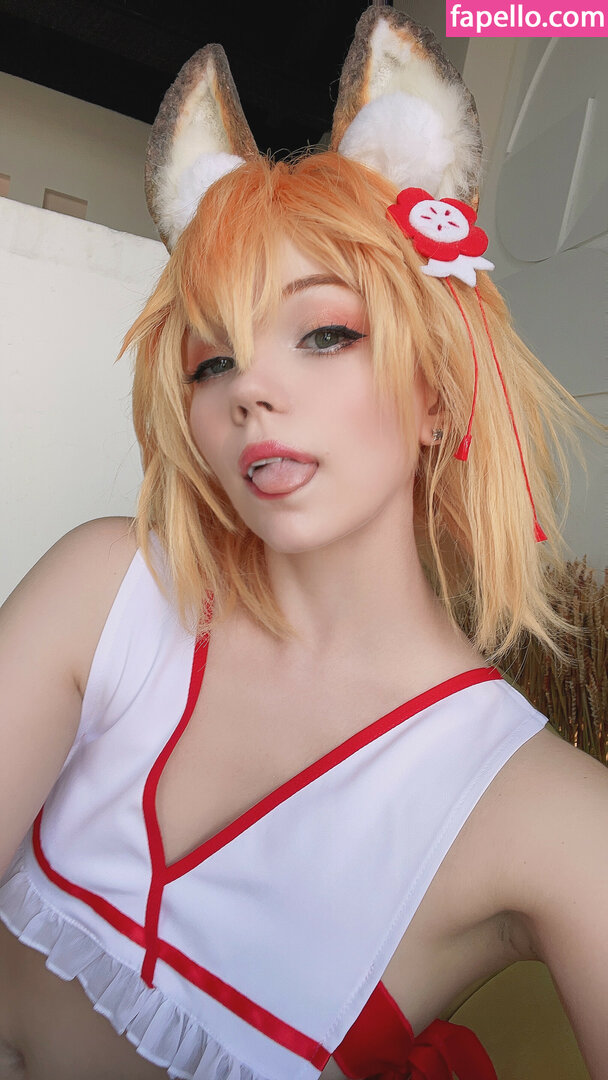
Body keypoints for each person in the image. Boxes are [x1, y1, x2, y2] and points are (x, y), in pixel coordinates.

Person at [0, 8, 606, 1080]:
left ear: (435, 394)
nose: (250, 391)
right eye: (211, 363)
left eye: (324, 332)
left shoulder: (545, 815)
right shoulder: (107, 587)